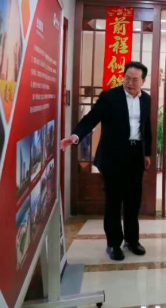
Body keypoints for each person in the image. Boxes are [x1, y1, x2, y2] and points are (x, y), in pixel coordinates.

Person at [61, 62, 152, 261]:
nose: (129, 83)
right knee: (113, 202)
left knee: (133, 202)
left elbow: (146, 127)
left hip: (135, 156)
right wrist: (76, 136)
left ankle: (132, 240)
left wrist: (147, 154)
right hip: (113, 156)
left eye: (134, 79)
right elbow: (91, 118)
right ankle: (113, 244)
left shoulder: (146, 99)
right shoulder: (110, 97)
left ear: (143, 81)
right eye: (127, 78)